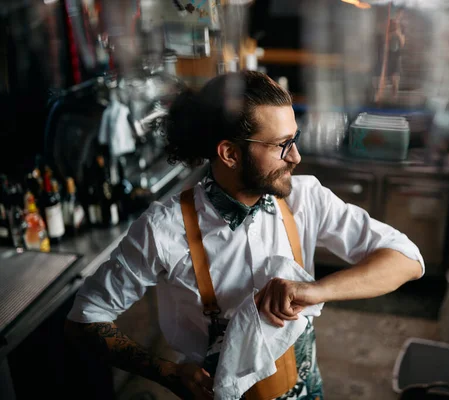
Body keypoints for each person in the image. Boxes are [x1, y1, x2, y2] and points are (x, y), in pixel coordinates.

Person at [64, 70, 424, 400]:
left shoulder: (306, 199)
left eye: (294, 139)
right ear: (230, 153)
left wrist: (312, 290)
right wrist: (169, 373)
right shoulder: (163, 229)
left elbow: (408, 260)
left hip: (306, 390)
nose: (296, 157)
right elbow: (85, 318)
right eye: (282, 145)